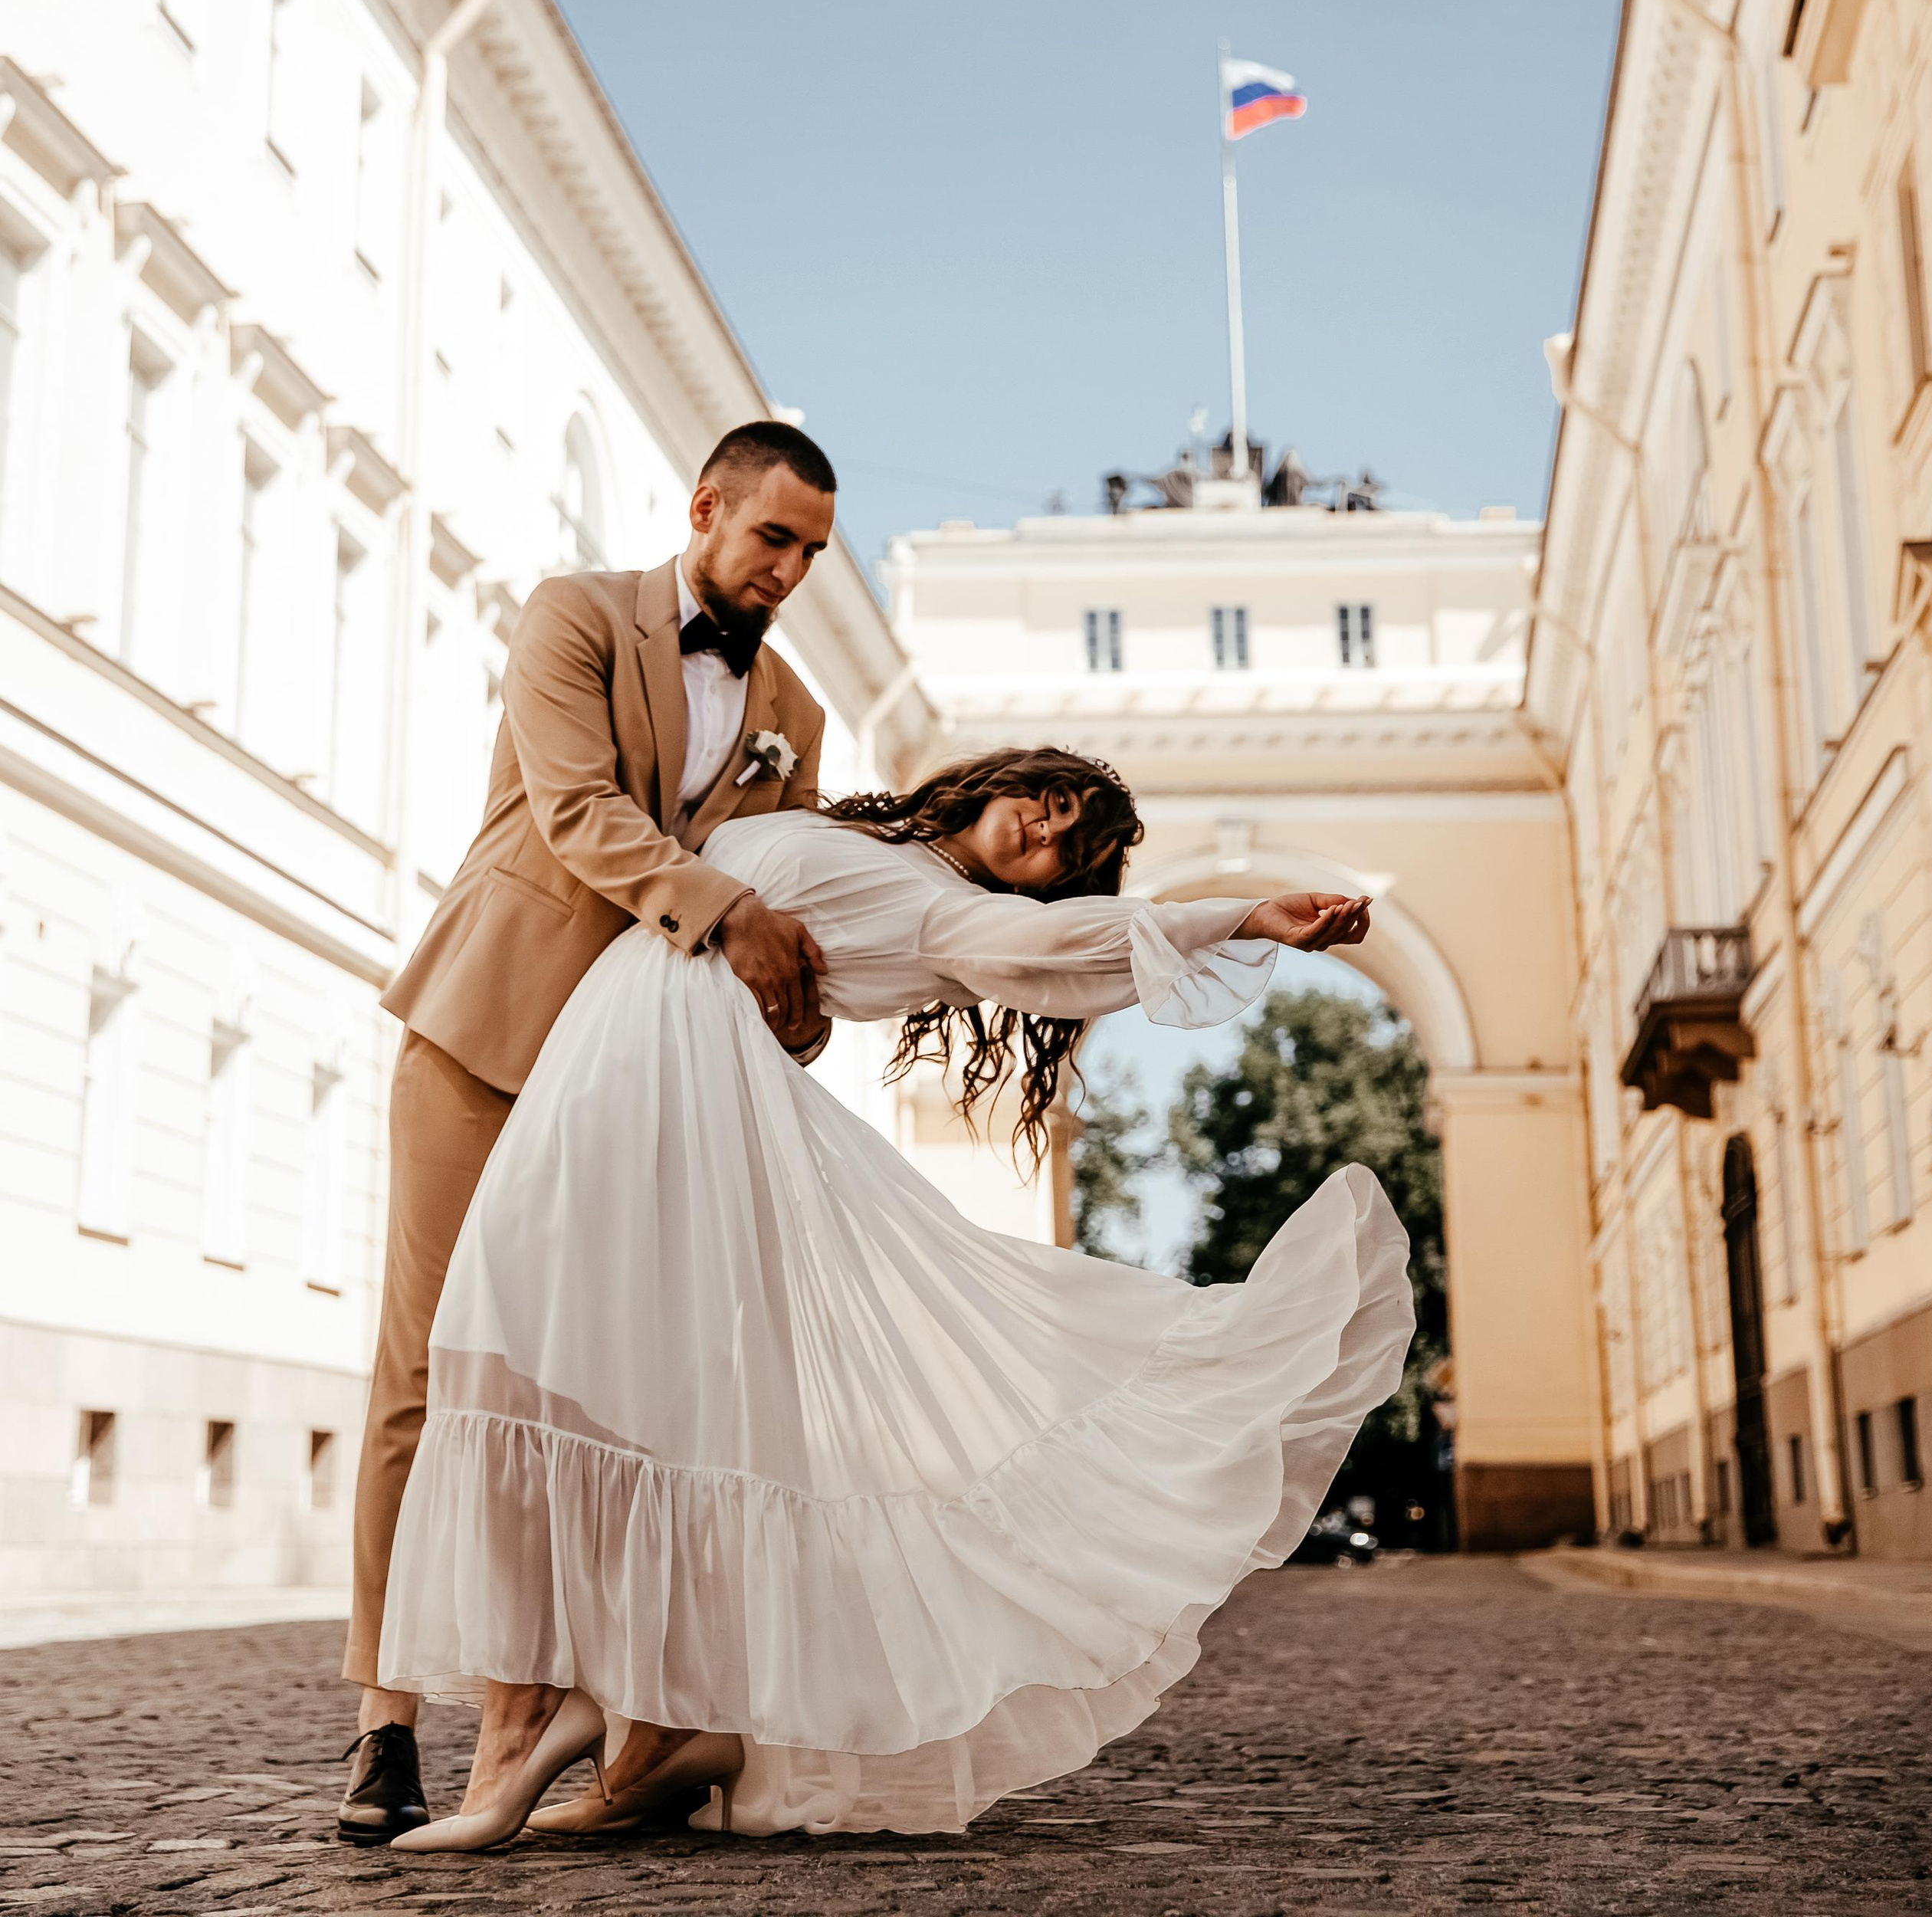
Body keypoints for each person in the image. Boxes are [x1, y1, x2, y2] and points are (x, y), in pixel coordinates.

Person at [378, 748, 1416, 1850]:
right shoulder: (858, 836)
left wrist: (1245, 917)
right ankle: (651, 1720)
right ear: (1002, 780)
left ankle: (539, 1724)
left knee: (527, 1365)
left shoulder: (952, 916)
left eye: (1072, 847)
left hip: (676, 1112)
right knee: (541, 1371)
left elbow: (1063, 945)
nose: (1047, 832)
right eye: (1051, 802)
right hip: (594, 1077)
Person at [336, 419, 839, 1846]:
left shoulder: (792, 706)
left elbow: (787, 883)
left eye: (810, 551)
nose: (790, 572)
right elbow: (576, 811)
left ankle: (591, 1710)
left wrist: (796, 999)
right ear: (707, 508)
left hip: (633, 1100)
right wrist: (727, 912)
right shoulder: (575, 617)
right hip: (490, 1037)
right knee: (425, 1374)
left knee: (591, 1399)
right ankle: (385, 1721)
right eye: (773, 539)